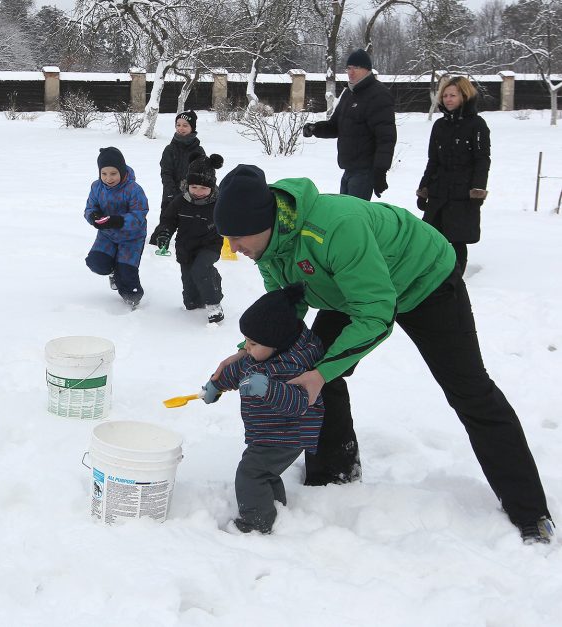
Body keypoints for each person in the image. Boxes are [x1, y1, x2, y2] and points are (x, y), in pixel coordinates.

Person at [210, 163, 554, 544]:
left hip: (424, 279)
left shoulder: (336, 229)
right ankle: (334, 477)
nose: (234, 249)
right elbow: (281, 314)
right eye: (229, 239)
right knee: (311, 368)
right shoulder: (269, 247)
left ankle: (531, 511)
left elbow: (375, 313)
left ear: (266, 221)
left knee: (470, 391)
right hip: (349, 289)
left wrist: (322, 372)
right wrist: (246, 354)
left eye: (238, 238)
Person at [201, 283, 325, 534]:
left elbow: (300, 403)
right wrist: (216, 384)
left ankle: (255, 524)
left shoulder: (293, 366)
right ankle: (276, 508)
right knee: (264, 472)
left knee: (251, 473)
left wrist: (269, 388)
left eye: (252, 343)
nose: (246, 347)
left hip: (288, 433)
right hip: (269, 429)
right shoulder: (262, 354)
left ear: (278, 342)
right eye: (246, 340)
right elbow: (239, 368)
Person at [417, 76, 491, 275]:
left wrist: (477, 190)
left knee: (457, 237)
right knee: (431, 236)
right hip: (439, 189)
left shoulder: (477, 125)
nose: (448, 99)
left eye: (453, 95)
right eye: (445, 95)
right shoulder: (439, 126)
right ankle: (431, 276)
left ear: (464, 96)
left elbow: (482, 160)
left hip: (462, 193)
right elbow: (433, 160)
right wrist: (423, 189)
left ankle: (455, 279)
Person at [302, 48, 396, 200]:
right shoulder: (349, 93)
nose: (351, 72)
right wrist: (315, 128)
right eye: (349, 68)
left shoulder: (379, 95)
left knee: (353, 218)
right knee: (345, 215)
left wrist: (380, 171)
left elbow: (386, 138)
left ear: (367, 70)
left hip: (365, 172)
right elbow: (336, 126)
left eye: (356, 68)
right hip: (348, 169)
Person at [150, 153, 226, 323]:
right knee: (191, 301)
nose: (198, 192)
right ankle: (203, 291)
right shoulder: (180, 201)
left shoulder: (218, 203)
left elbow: (230, 220)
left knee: (201, 269)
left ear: (212, 188)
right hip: (185, 247)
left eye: (204, 188)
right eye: (194, 187)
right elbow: (168, 220)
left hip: (210, 245)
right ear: (188, 185)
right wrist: (164, 234)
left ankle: (214, 304)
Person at [84, 147, 149, 309]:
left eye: (113, 173)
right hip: (107, 235)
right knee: (96, 263)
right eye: (104, 173)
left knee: (127, 274)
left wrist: (118, 221)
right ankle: (114, 271)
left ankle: (132, 296)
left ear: (121, 170)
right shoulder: (96, 187)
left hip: (132, 237)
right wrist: (94, 217)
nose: (108, 178)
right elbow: (89, 208)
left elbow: (139, 215)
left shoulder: (133, 189)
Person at [159, 110, 206, 210]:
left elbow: (203, 175)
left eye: (185, 125)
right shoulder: (170, 149)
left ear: (192, 128)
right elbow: (166, 173)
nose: (181, 128)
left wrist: (194, 193)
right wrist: (171, 193)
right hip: (170, 197)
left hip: (192, 198)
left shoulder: (198, 150)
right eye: (178, 125)